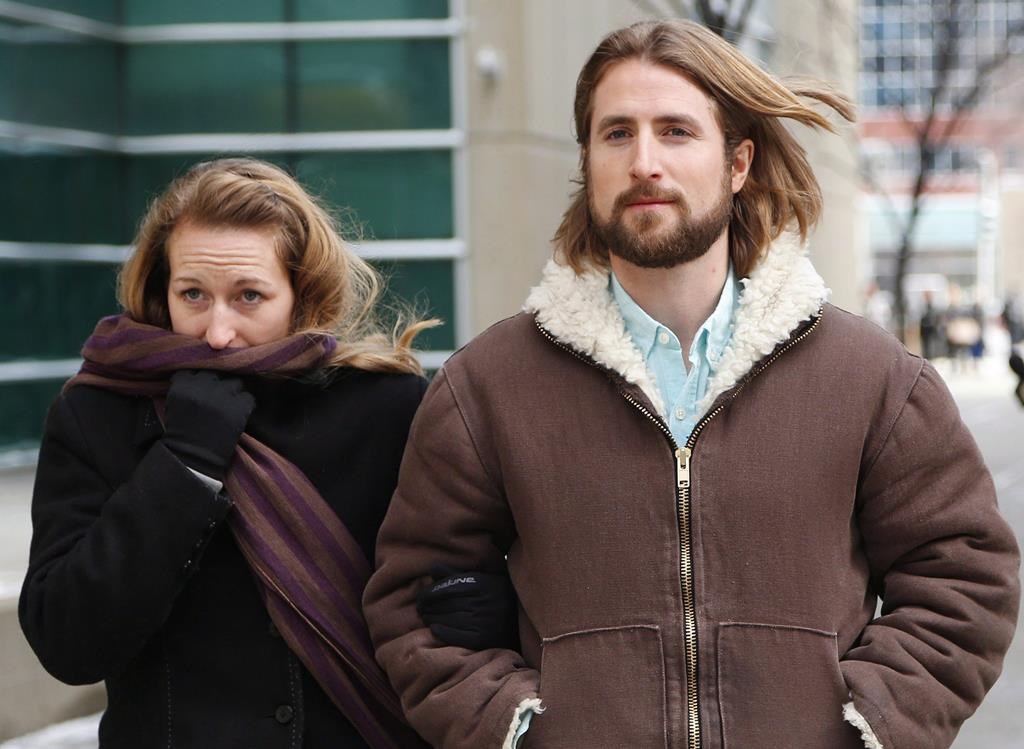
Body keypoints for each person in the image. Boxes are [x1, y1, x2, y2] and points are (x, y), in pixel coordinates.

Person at [362, 20, 1021, 749]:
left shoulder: (871, 377)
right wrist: (513, 730)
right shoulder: (485, 388)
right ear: (588, 161)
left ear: (738, 163)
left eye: (676, 131)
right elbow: (418, 602)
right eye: (617, 134)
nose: (644, 161)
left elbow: (964, 576)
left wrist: (869, 723)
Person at [18, 157, 495, 748]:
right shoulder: (101, 413)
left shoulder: (385, 408)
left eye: (248, 296)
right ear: (159, 289)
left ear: (301, 295)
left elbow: (451, 580)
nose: (217, 333)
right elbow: (67, 641)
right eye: (192, 294)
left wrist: (473, 604)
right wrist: (184, 465)